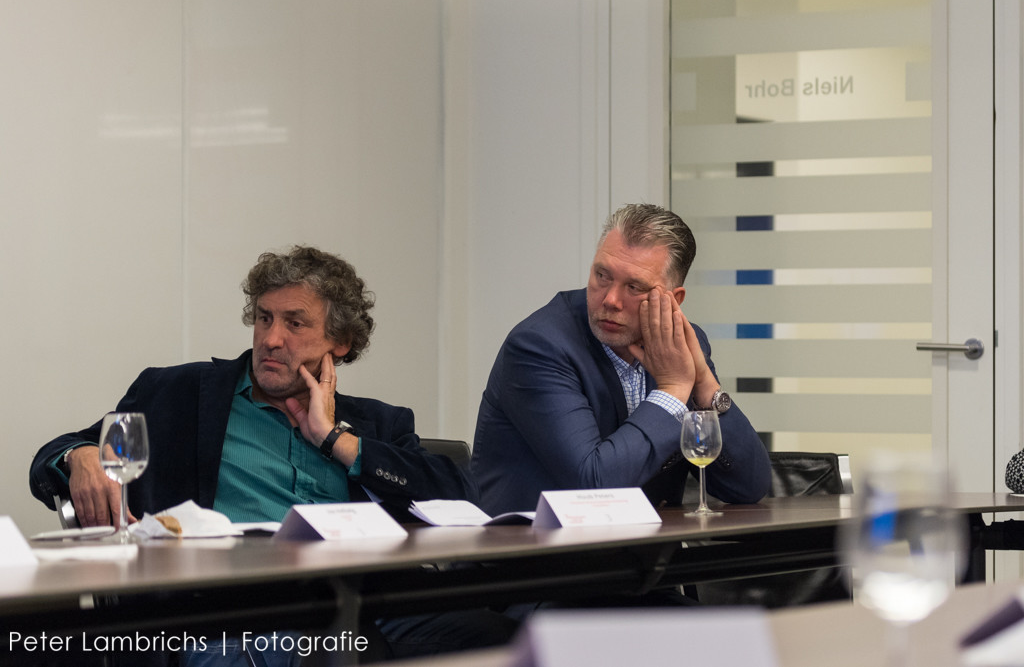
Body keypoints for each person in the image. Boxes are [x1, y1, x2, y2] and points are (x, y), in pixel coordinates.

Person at [29, 246, 515, 664]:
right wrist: (80, 455)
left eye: (294, 323)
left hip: (366, 603)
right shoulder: (179, 394)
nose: (271, 338)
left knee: (508, 636)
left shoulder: (379, 423)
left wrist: (335, 439)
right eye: (264, 318)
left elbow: (460, 496)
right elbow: (59, 454)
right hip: (231, 610)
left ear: (340, 342)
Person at [472, 204, 772, 517]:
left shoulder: (680, 347)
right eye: (602, 275)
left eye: (634, 287)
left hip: (648, 546)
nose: (610, 300)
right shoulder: (539, 347)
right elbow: (594, 486)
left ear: (674, 300)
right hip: (536, 546)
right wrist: (672, 391)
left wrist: (705, 385)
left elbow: (749, 486)